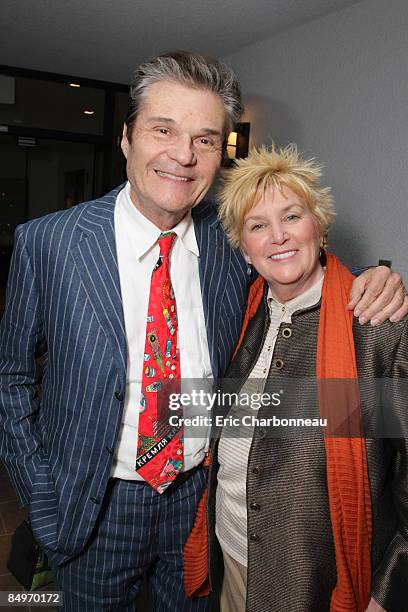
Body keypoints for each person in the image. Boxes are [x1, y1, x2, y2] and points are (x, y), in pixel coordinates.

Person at [0, 51, 406, 611]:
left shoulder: (228, 242)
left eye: (206, 139)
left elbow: (294, 261)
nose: (182, 156)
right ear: (126, 138)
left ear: (221, 153)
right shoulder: (49, 243)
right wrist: (43, 502)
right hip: (92, 510)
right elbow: (11, 380)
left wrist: (375, 278)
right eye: (163, 129)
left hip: (200, 507)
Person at [203, 144, 408, 612]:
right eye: (257, 226)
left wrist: (389, 587)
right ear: (244, 246)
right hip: (232, 555)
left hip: (316, 582)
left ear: (320, 226)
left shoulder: (377, 326)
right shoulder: (246, 309)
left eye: (291, 217)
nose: (277, 236)